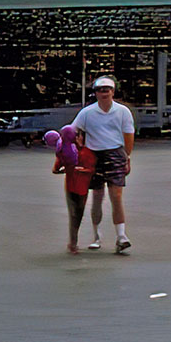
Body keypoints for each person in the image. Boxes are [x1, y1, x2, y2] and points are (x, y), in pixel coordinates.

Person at [71, 76, 135, 254]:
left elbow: (129, 135)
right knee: (97, 197)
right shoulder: (87, 113)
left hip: (115, 152)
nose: (104, 93)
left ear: (113, 92)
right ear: (96, 93)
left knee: (116, 195)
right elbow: (73, 130)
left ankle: (121, 236)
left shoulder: (122, 111)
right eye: (100, 90)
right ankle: (97, 236)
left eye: (107, 90)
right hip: (93, 154)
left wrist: (126, 157)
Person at [52, 128, 97, 254]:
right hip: (77, 187)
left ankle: (73, 242)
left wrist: (70, 170)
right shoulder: (86, 152)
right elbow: (91, 169)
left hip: (77, 187)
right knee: (75, 215)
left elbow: (55, 169)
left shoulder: (68, 152)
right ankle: (73, 243)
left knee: (76, 215)